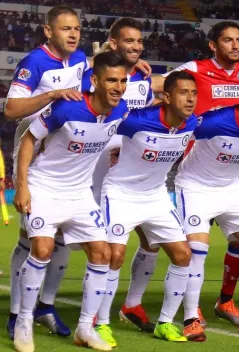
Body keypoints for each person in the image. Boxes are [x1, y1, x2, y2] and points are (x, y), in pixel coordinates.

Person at [13, 51, 129, 352]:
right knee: (42, 249)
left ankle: (85, 328)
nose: (118, 86)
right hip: (45, 187)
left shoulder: (121, 110)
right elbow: (28, 140)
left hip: (79, 192)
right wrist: (22, 186)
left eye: (122, 80)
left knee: (102, 253)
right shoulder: (67, 107)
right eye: (111, 80)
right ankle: (24, 322)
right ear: (95, 81)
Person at [154, 21, 239, 326]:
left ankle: (225, 300)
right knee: (197, 243)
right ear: (213, 45)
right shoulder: (194, 68)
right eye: (227, 40)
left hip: (234, 169)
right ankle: (190, 307)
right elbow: (161, 85)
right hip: (197, 167)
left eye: (238, 40)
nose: (235, 45)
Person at [175, 72, 239, 341]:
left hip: (230, 186)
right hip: (194, 185)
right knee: (197, 249)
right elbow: (177, 125)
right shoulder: (214, 121)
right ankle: (190, 318)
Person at [5, 5, 87, 340]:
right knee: (31, 238)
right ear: (48, 31)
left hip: (67, 156)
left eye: (77, 29)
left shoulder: (80, 58)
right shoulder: (34, 63)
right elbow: (11, 110)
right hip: (33, 152)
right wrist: (50, 94)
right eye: (65, 29)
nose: (72, 34)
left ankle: (46, 306)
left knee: (64, 233)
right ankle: (15, 314)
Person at [97, 71, 198, 345]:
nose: (190, 99)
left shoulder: (193, 124)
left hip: (155, 196)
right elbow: (102, 123)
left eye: (193, 93)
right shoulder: (138, 121)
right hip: (120, 193)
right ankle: (100, 322)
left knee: (182, 254)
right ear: (166, 97)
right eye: (183, 93)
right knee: (114, 255)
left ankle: (165, 323)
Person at [82, 18, 158, 338]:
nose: (137, 47)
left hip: (132, 179)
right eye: (129, 41)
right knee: (93, 251)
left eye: (139, 42)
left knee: (152, 242)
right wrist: (95, 60)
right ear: (112, 44)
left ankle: (132, 304)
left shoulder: (142, 81)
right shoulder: (92, 77)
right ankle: (83, 316)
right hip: (94, 178)